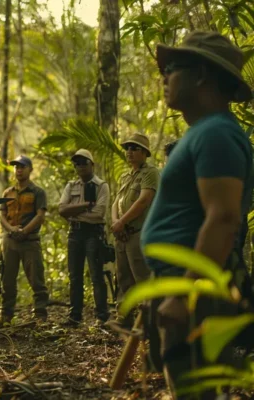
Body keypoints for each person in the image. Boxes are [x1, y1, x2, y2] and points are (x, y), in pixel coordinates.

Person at [142, 31, 253, 399]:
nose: (163, 78)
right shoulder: (202, 133)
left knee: (197, 388)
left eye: (171, 68)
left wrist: (186, 292)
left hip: (194, 283)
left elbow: (223, 219)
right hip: (178, 277)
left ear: (202, 75)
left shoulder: (217, 135)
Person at [0, 155, 49, 328]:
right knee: (7, 279)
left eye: (22, 166)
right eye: (16, 167)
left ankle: (40, 315)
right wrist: (11, 229)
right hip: (10, 241)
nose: (19, 170)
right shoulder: (8, 193)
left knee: (36, 278)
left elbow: (40, 215)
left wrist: (24, 231)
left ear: (30, 169)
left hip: (30, 241)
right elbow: (1, 215)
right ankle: (5, 316)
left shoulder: (38, 192)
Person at [108, 133, 159, 328]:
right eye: (127, 148)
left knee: (142, 277)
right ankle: (125, 318)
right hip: (122, 234)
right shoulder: (125, 176)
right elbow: (116, 202)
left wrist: (122, 221)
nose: (129, 151)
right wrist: (116, 222)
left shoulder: (150, 173)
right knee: (123, 278)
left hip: (138, 234)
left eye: (134, 148)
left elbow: (144, 200)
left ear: (145, 153)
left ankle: (149, 321)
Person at [58, 149, 110, 327]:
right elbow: (61, 210)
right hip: (75, 233)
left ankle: (102, 316)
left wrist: (74, 211)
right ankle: (75, 316)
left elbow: (99, 213)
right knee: (75, 276)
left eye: (83, 162)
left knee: (96, 275)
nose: (80, 166)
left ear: (92, 164)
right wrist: (87, 205)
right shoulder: (71, 186)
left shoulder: (101, 186)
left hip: (93, 233)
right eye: (77, 163)